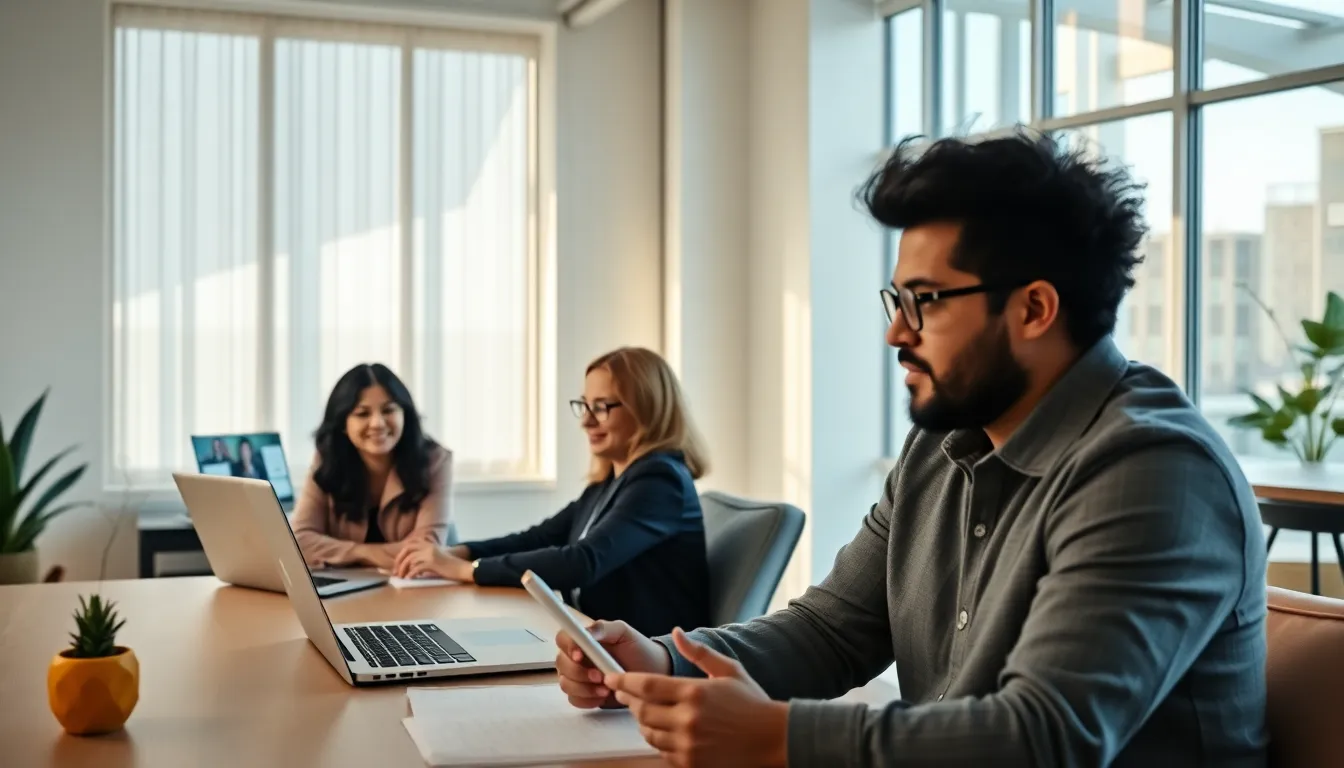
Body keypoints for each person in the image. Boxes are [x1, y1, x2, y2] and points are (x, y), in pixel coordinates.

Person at [552, 131, 1269, 767]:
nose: (897, 333)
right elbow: (832, 631)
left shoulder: (1153, 472)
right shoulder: (941, 446)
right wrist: (667, 660)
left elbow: (1049, 737)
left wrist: (780, 739)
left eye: (924, 302)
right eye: (896, 303)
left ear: (1034, 308)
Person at [394, 346, 712, 639]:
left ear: (648, 409)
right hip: (597, 640)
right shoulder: (611, 482)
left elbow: (582, 562)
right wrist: (459, 553)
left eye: (601, 407)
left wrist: (466, 571)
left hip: (646, 656)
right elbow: (539, 538)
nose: (586, 421)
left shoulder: (660, 481)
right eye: (584, 406)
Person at [290, 363, 452, 570]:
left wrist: (338, 552)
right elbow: (299, 541)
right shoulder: (327, 461)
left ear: (405, 415)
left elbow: (426, 550)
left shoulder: (435, 461)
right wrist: (367, 552)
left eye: (388, 410)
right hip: (348, 592)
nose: (377, 423)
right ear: (342, 425)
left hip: (414, 587)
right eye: (362, 413)